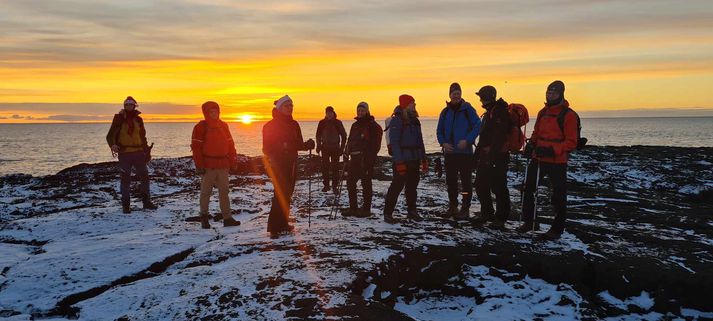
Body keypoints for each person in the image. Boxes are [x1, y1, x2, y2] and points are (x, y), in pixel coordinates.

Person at [518, 80, 578, 239]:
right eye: (548, 92)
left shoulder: (569, 115)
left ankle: (557, 229)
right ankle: (529, 221)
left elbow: (571, 142)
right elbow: (537, 133)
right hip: (538, 157)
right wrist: (531, 145)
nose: (550, 95)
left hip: (557, 162)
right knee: (527, 188)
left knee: (558, 195)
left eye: (554, 93)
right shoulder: (542, 112)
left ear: (561, 94)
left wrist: (552, 150)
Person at [262, 95, 315, 238]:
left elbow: (298, 144)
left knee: (287, 194)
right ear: (279, 108)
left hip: (291, 163)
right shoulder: (270, 126)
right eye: (287, 106)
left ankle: (283, 223)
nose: (290, 108)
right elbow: (266, 149)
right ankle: (274, 227)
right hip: (278, 164)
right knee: (279, 194)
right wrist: (282, 147)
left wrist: (307, 145)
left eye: (292, 106)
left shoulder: (294, 124)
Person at [191, 101, 242, 229]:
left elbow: (231, 145)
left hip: (223, 165)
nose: (214, 114)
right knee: (206, 192)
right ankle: (204, 218)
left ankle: (227, 218)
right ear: (206, 113)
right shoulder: (200, 127)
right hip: (208, 165)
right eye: (211, 112)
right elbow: (196, 148)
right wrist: (199, 165)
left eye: (216, 111)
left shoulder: (224, 126)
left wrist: (233, 160)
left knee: (224, 192)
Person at [436, 82, 481, 220]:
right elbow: (439, 130)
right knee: (451, 181)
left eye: (458, 93)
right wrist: (443, 143)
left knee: (466, 182)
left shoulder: (468, 109)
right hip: (450, 154)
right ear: (449, 95)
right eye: (454, 93)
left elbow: (478, 125)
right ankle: (453, 206)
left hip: (465, 154)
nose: (456, 95)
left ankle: (465, 209)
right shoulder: (445, 112)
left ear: (461, 94)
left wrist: (467, 140)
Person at [106, 96, 157, 214]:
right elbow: (110, 135)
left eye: (131, 104)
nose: (129, 106)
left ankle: (147, 202)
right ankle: (126, 205)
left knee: (145, 177)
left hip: (139, 152)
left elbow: (143, 137)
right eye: (127, 105)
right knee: (125, 179)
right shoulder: (118, 119)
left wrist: (147, 151)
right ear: (124, 106)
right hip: (124, 153)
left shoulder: (139, 120)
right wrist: (112, 145)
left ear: (134, 106)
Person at [383, 94, 428, 223]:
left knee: (412, 187)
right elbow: (395, 142)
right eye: (412, 103)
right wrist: (399, 162)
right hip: (402, 159)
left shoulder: (415, 121)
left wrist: (424, 159)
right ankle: (388, 213)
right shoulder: (397, 120)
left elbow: (420, 141)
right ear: (405, 105)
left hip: (414, 159)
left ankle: (412, 211)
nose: (414, 105)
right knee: (396, 186)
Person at [473, 85, 512, 229]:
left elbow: (499, 136)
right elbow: (484, 138)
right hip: (486, 156)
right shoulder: (490, 112)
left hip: (498, 157)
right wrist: (477, 156)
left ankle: (501, 217)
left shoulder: (500, 112)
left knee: (499, 187)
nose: (481, 100)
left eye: (482, 97)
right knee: (480, 184)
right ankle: (487, 212)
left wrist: (492, 153)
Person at [344, 102, 382, 217]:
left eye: (362, 110)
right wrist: (346, 153)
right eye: (358, 110)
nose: (360, 113)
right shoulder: (354, 125)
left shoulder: (372, 125)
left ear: (367, 111)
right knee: (350, 182)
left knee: (366, 184)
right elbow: (350, 141)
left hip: (365, 159)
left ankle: (366, 209)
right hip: (354, 158)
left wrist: (369, 158)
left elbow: (376, 145)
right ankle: (353, 208)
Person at [315, 106, 347, 193]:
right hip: (325, 148)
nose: (329, 114)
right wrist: (318, 145)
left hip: (335, 148)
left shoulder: (337, 122)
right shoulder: (322, 122)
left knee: (335, 168)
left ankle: (335, 186)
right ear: (326, 114)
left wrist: (342, 148)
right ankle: (326, 185)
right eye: (327, 113)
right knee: (325, 167)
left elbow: (344, 136)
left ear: (333, 113)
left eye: (330, 113)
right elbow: (318, 135)